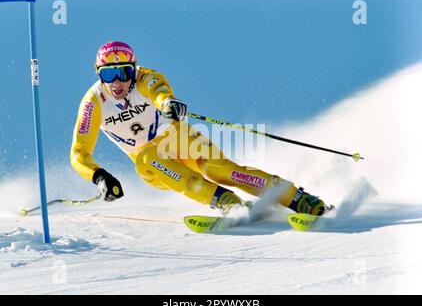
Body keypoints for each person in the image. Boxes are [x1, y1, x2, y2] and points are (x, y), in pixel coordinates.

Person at [70, 41, 329, 216]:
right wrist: (99, 176)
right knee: (146, 158)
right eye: (107, 75)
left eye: (123, 73)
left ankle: (296, 198)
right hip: (155, 165)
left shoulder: (145, 78)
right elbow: (79, 153)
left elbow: (159, 91)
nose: (117, 83)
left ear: (133, 70)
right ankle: (226, 202)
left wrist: (168, 103)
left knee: (220, 169)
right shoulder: (93, 103)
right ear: (98, 75)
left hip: (177, 139)